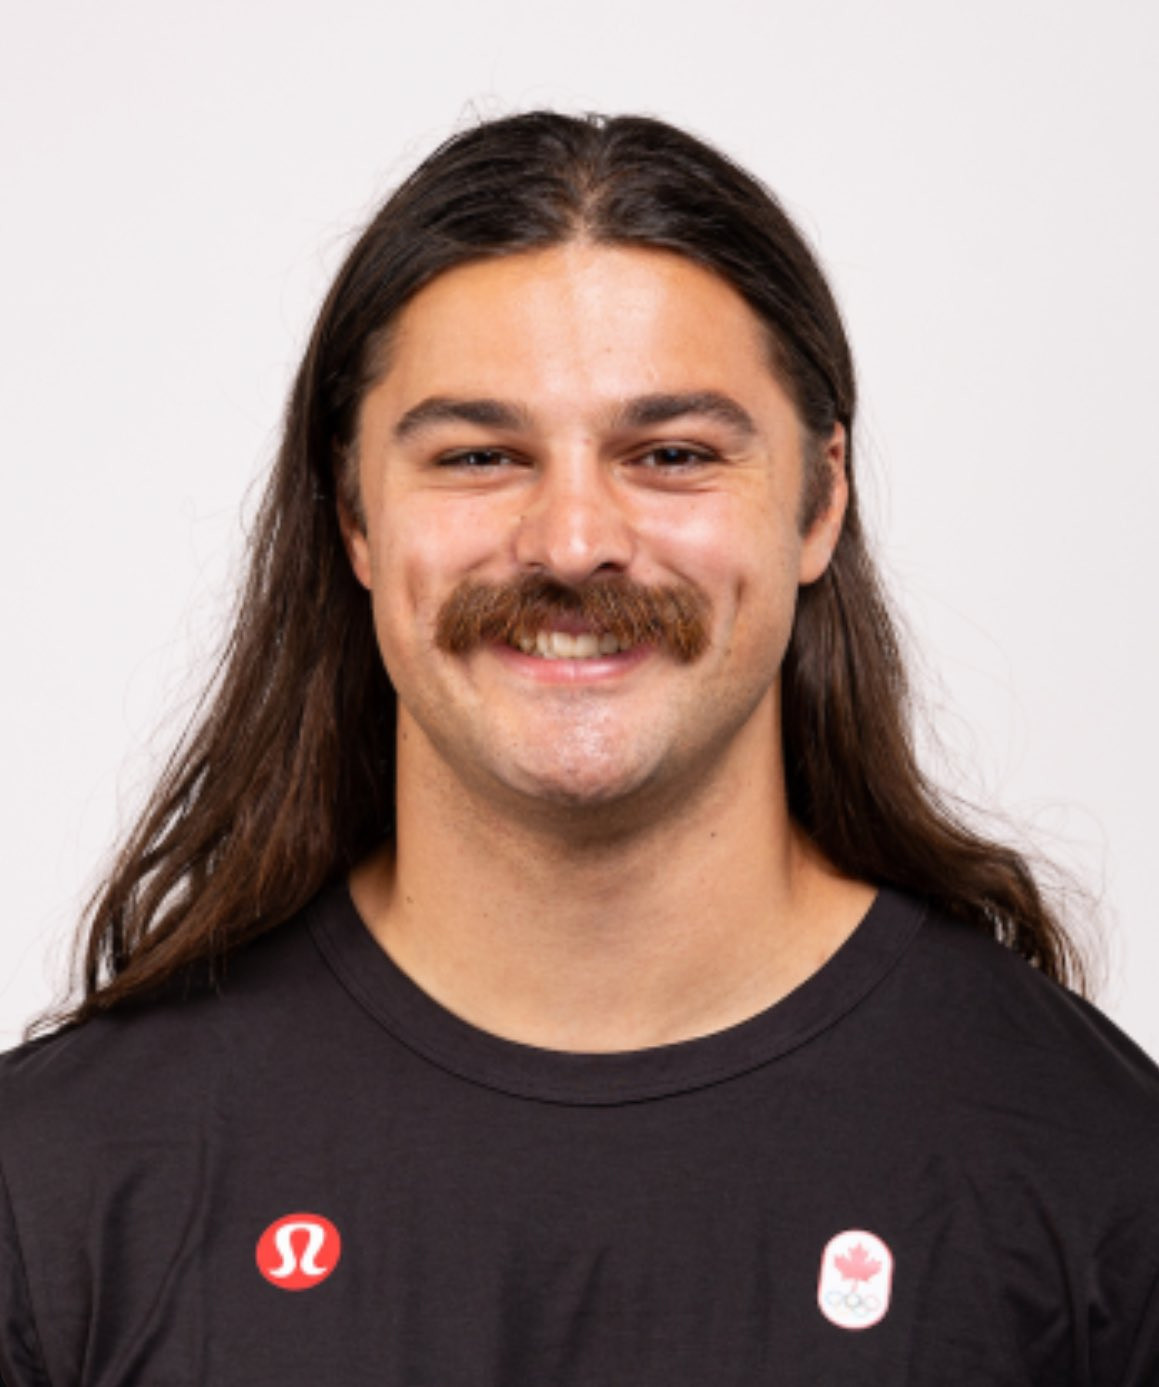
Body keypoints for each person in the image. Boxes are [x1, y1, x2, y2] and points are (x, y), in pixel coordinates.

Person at [1, 110, 1156, 1386]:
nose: (569, 542)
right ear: (354, 517)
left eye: (670, 455)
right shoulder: (61, 1180)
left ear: (820, 500)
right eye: (480, 455)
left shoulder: (1094, 1167)